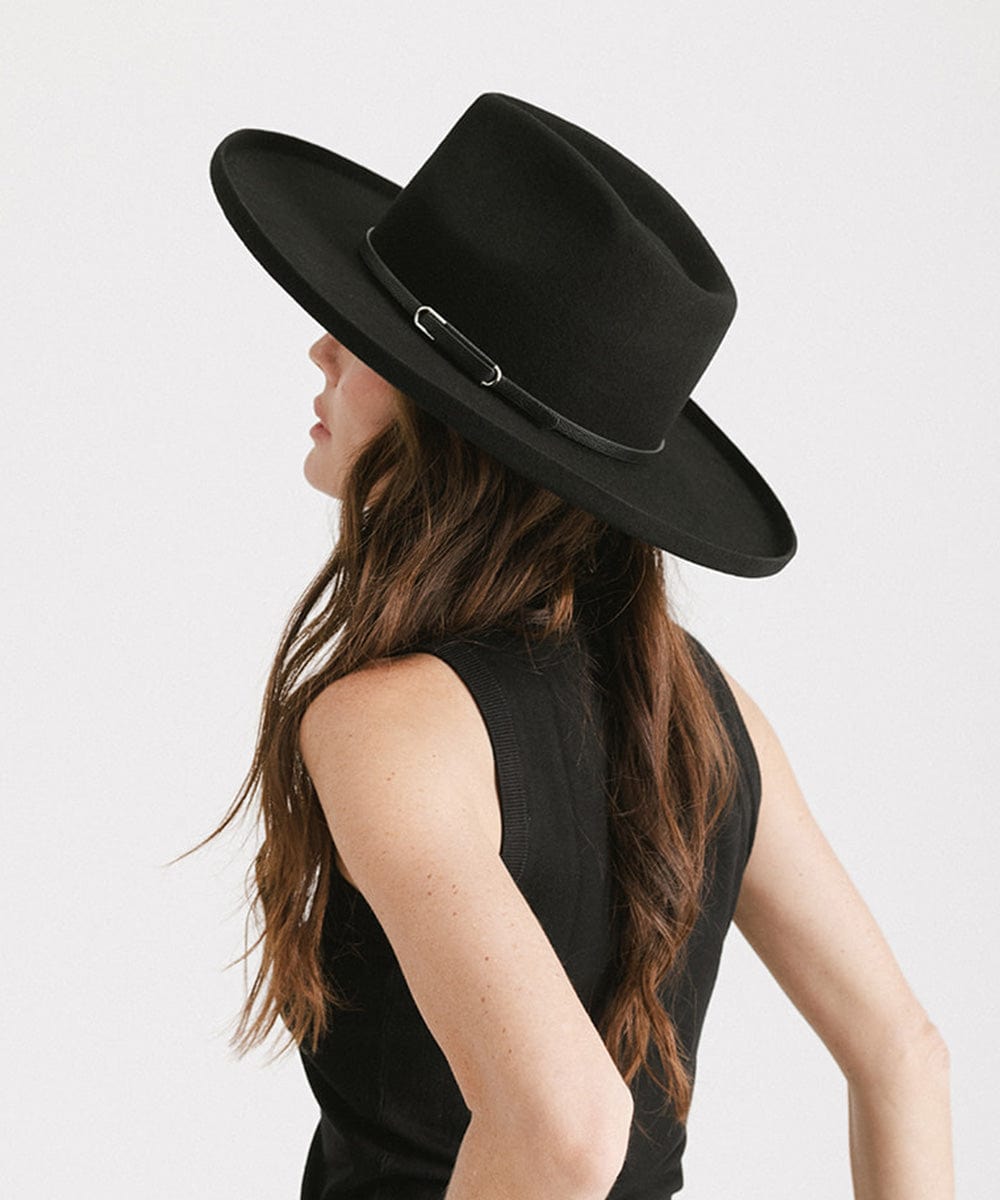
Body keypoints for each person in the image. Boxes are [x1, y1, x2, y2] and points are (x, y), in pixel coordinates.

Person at [188, 93, 954, 1198]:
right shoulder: (707, 711)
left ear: (444, 413)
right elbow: (901, 1057)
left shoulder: (381, 721)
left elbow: (563, 1129)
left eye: (357, 333)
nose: (319, 347)